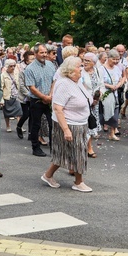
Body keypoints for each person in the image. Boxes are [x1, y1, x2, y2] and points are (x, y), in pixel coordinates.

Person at [40, 57, 93, 192]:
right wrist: (66, 130)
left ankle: (48, 175)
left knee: (62, 152)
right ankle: (78, 182)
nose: (82, 68)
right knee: (78, 153)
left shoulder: (77, 81)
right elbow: (58, 108)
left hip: (80, 123)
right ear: (70, 70)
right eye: (79, 66)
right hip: (69, 124)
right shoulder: (64, 84)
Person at [23, 44, 56, 156]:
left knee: (53, 124)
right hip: (36, 100)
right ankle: (35, 147)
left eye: (45, 52)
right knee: (36, 124)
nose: (44, 54)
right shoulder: (30, 68)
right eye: (41, 52)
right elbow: (31, 87)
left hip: (50, 99)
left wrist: (50, 95)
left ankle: (54, 148)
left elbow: (54, 81)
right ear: (36, 53)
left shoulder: (51, 65)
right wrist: (43, 97)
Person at [80, 52, 102, 158]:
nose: (85, 62)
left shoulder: (97, 71)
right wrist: (89, 100)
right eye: (84, 60)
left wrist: (98, 97)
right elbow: (80, 87)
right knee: (86, 125)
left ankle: (88, 146)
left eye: (88, 61)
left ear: (94, 63)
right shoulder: (81, 72)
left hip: (95, 104)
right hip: (84, 103)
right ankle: (88, 148)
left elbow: (100, 84)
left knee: (92, 124)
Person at [15, 50, 35, 139]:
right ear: (27, 61)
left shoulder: (35, 70)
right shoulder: (22, 71)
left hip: (34, 96)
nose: (33, 61)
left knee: (32, 115)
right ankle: (19, 127)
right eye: (31, 59)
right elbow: (22, 86)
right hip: (25, 97)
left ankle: (31, 133)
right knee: (26, 114)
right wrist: (29, 94)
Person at [0, 59, 20, 132]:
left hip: (16, 95)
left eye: (14, 66)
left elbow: (19, 83)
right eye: (11, 66)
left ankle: (19, 126)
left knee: (19, 111)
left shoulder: (16, 73)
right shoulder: (3, 75)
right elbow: (1, 87)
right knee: (7, 113)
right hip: (7, 95)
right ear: (7, 67)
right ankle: (8, 126)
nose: (13, 68)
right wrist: (1, 99)